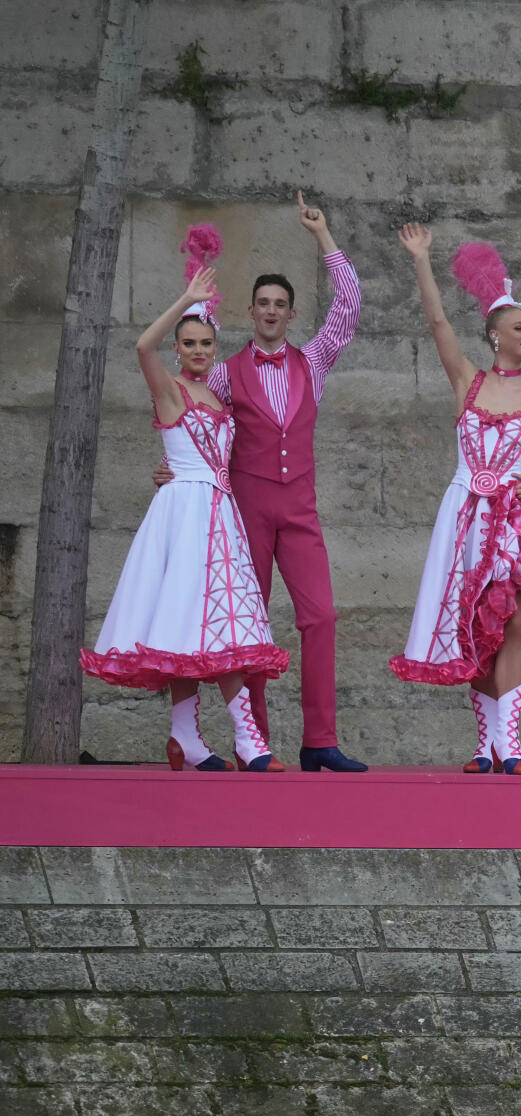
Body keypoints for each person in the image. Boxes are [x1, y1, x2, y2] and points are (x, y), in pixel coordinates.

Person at [163, 192, 366, 770]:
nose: (271, 311)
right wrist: (171, 467)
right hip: (246, 508)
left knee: (321, 617)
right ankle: (256, 742)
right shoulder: (224, 375)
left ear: (291, 314)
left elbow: (349, 307)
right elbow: (197, 427)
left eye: (280, 304)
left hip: (300, 508)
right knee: (248, 625)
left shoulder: (315, 362)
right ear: (250, 313)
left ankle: (320, 741)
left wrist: (322, 235)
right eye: (262, 304)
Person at [389, 227, 521, 773]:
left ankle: (510, 741)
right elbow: (437, 323)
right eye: (519, 328)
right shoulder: (468, 381)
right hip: (465, 514)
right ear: (495, 336)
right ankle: (486, 745)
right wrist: (421, 261)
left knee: (513, 620)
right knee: (476, 623)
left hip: (513, 520)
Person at [83, 229, 290, 769]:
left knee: (210, 627)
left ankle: (187, 739)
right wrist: (187, 300)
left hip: (220, 514)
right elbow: (140, 346)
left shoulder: (214, 391)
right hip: (185, 516)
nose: (198, 351)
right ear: (178, 348)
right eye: (189, 343)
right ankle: (247, 741)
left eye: (205, 343)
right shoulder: (169, 388)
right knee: (202, 623)